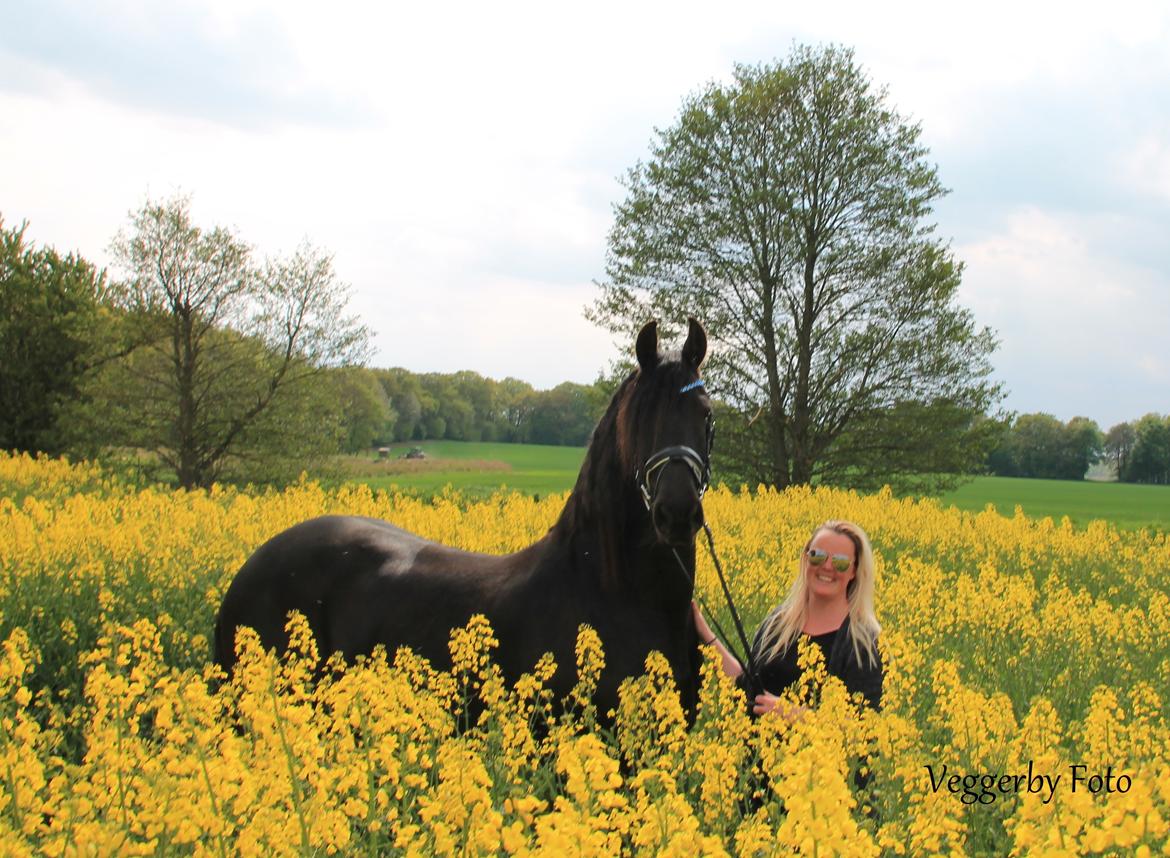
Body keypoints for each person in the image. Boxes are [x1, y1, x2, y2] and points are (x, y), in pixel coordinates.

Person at [692, 519, 883, 717]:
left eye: (840, 562)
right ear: (806, 558)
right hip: (757, 747)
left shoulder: (864, 643)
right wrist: (703, 631)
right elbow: (746, 685)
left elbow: (864, 730)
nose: (827, 566)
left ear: (854, 571)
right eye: (817, 556)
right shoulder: (778, 623)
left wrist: (794, 715)